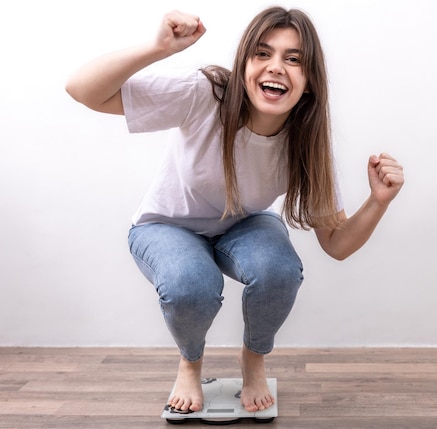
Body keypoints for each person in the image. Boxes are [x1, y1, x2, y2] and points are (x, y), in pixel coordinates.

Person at [65, 7, 404, 414]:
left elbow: (336, 243)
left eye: (293, 59)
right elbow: (82, 89)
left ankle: (253, 359)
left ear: (310, 81)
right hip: (165, 226)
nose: (276, 67)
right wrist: (157, 48)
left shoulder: (306, 143)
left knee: (279, 270)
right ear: (244, 63)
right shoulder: (205, 94)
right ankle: (190, 362)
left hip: (242, 225)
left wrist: (378, 201)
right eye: (262, 54)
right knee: (192, 283)